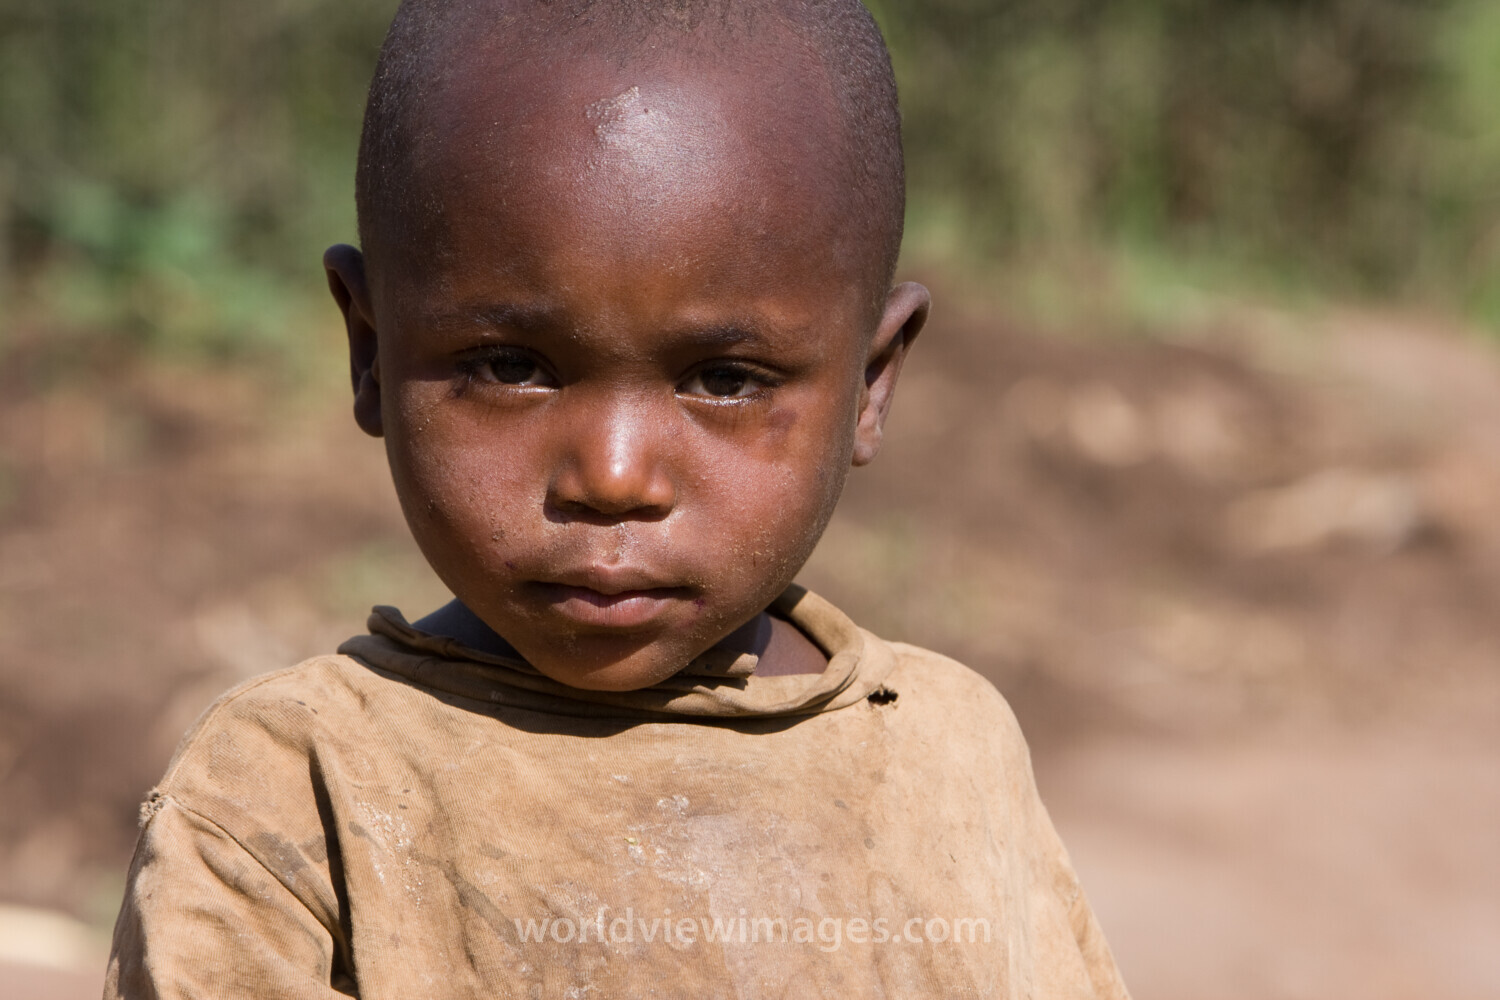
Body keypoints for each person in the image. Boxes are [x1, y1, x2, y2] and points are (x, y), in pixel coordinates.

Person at [105, 1, 1130, 996]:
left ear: (870, 386)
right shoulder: (295, 794)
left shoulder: (944, 756)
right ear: (372, 351)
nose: (613, 476)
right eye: (511, 366)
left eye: (725, 379)